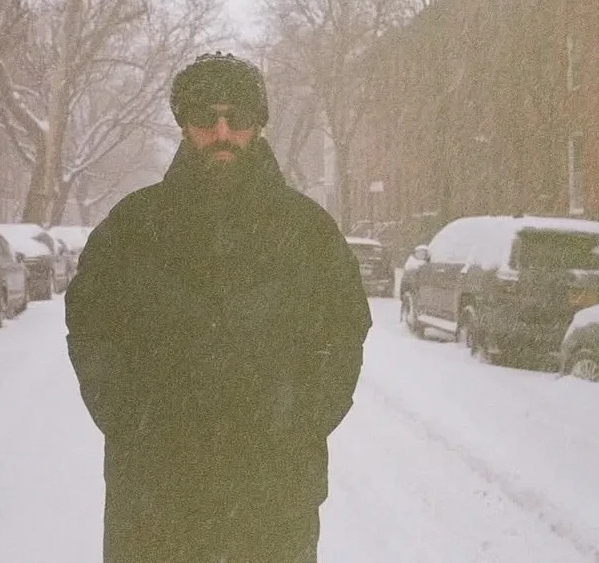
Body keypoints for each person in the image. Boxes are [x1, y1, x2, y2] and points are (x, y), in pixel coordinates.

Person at [64, 51, 372, 563]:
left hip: (273, 491)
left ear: (258, 126)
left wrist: (300, 422)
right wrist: (131, 420)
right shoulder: (134, 227)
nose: (222, 133)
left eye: (238, 118)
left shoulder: (308, 232)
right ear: (185, 125)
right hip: (156, 491)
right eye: (206, 118)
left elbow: (343, 334)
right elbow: (91, 329)